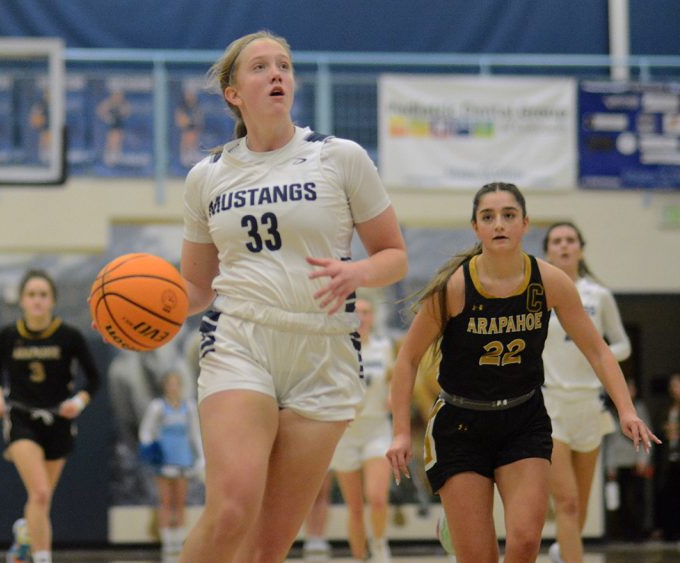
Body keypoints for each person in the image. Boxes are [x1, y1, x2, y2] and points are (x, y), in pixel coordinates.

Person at [178, 30, 408, 562]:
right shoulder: (207, 176)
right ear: (233, 92)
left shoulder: (340, 157)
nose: (277, 73)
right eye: (260, 67)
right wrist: (150, 316)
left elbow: (393, 255)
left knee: (267, 548)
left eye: (284, 65)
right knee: (232, 508)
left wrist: (357, 274)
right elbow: (194, 285)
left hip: (323, 348)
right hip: (241, 338)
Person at [386, 182, 658, 563]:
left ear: (525, 223)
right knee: (479, 556)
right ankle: (454, 524)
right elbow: (407, 360)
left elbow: (597, 350)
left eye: (509, 215)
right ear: (476, 227)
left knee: (527, 541)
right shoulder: (455, 287)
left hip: (522, 418)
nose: (499, 224)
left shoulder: (550, 282)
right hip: (462, 424)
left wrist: (627, 410)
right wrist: (400, 432)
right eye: (488, 217)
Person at [0, 270, 101, 563]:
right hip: (21, 417)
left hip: (59, 420)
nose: (37, 300)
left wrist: (78, 402)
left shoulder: (69, 336)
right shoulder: (9, 335)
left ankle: (26, 532)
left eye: (43, 295)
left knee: (42, 499)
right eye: (32, 294)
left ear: (52, 301)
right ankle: (42, 557)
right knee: (39, 493)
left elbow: (94, 378)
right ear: (22, 300)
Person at [540, 221, 632, 563]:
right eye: (557, 241)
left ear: (580, 247)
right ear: (548, 249)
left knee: (578, 508)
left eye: (570, 240)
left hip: (590, 407)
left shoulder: (599, 295)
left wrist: (598, 352)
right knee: (566, 503)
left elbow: (621, 344)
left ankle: (562, 553)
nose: (564, 246)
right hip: (552, 406)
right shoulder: (538, 294)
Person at [303, 298, 395, 562]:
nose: (362, 317)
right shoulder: (336, 349)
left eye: (367, 312)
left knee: (377, 498)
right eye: (357, 312)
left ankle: (379, 546)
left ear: (373, 317)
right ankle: (358, 556)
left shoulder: (384, 347)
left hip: (376, 428)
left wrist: (393, 396)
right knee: (355, 507)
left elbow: (396, 379)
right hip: (345, 433)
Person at [138, 371, 204, 559]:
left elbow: (194, 433)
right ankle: (167, 543)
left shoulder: (188, 407)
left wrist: (200, 457)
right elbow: (146, 431)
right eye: (170, 383)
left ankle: (179, 541)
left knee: (180, 502)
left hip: (182, 458)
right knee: (166, 502)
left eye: (176, 383)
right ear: (165, 386)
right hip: (164, 459)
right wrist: (152, 449)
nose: (173, 387)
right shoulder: (158, 407)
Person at [603, 377, 652, 541]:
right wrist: (610, 466)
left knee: (638, 498)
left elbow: (647, 434)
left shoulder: (640, 408)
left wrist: (643, 459)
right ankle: (624, 532)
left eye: (629, 388)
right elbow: (608, 442)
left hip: (635, 460)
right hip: (618, 462)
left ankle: (639, 533)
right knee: (621, 499)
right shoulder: (610, 411)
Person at [654, 373, 680, 541]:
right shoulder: (666, 408)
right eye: (674, 386)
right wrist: (667, 430)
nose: (676, 389)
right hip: (668, 458)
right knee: (668, 495)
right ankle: (668, 530)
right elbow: (658, 427)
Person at [96, 88, 130, 167]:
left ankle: (116, 158)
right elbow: (100, 110)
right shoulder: (108, 102)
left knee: (118, 139)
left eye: (120, 95)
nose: (118, 97)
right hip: (110, 126)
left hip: (119, 125)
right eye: (116, 95)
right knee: (111, 140)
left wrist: (123, 112)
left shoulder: (123, 103)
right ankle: (108, 159)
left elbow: (127, 111)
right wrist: (106, 117)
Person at [174, 87, 204, 167]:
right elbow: (180, 121)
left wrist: (193, 124)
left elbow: (199, 121)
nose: (190, 97)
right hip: (185, 129)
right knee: (187, 134)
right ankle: (185, 157)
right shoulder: (182, 107)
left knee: (192, 134)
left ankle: (192, 155)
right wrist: (186, 122)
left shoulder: (196, 107)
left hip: (193, 128)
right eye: (188, 95)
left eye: (192, 95)